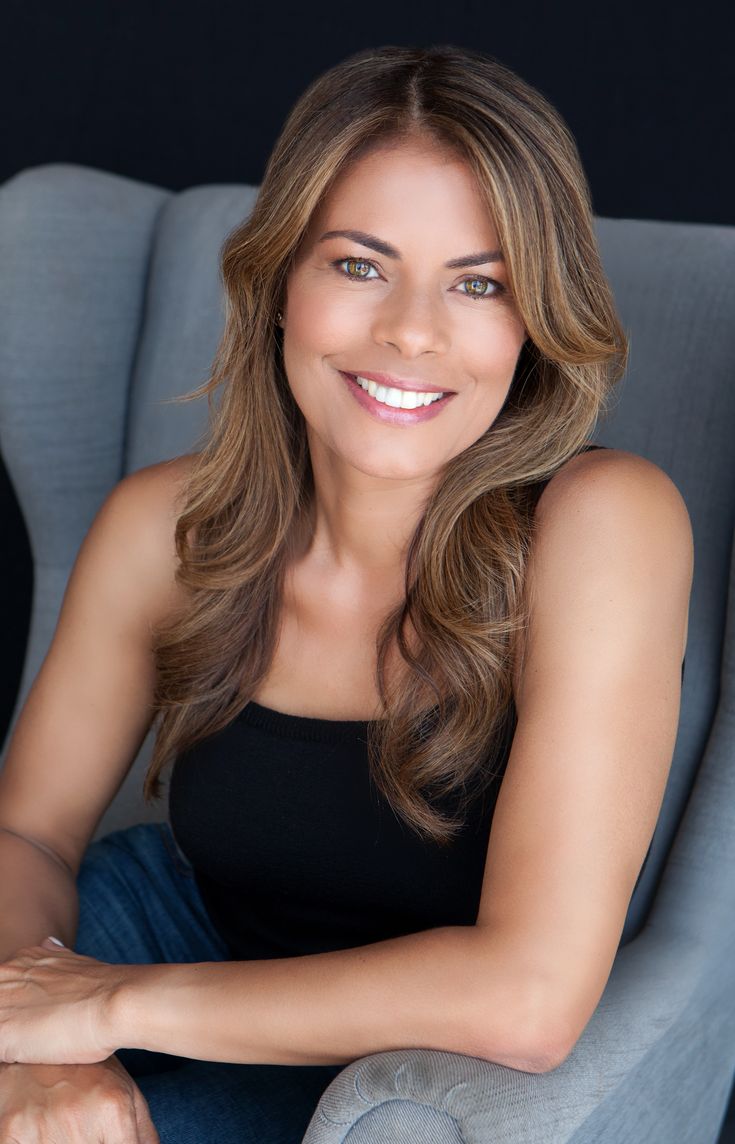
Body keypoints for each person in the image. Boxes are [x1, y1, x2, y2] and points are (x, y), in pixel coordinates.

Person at [0, 42, 693, 1144]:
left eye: (481, 283)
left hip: (384, 1056)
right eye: (361, 264)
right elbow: (29, 835)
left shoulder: (605, 522)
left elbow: (529, 997)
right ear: (281, 284)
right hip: (162, 928)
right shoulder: (163, 526)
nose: (412, 330)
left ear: (533, 324)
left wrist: (98, 1010)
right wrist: (29, 1046)